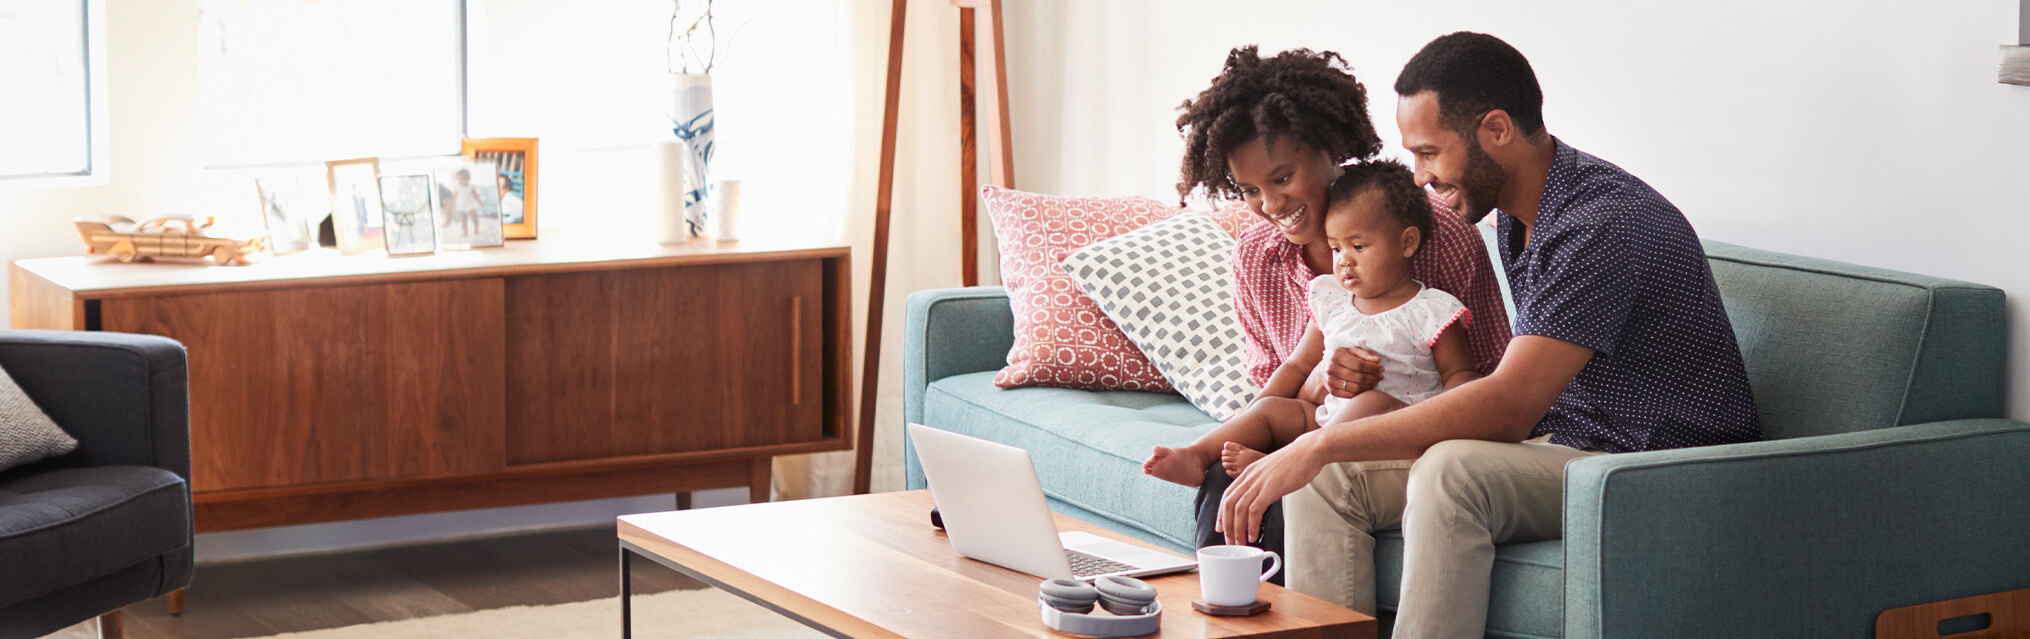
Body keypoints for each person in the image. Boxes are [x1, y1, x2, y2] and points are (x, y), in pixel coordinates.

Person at [1214, 33, 1761, 637]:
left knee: (1449, 471)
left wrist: (1315, 442)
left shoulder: (1598, 225)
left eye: (1428, 152)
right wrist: (1317, 447)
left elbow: (1505, 407)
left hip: (1656, 464)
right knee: (1328, 478)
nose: (1418, 176)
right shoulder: (1523, 213)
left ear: (1496, 130)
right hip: (1572, 442)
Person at [1171, 45, 1513, 580]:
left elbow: (1485, 380)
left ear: (1332, 149)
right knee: (1224, 479)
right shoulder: (1256, 257)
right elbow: (1276, 387)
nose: (1271, 205)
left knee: (1293, 487)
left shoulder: (1436, 234)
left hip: (1406, 438)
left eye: (1282, 178)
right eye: (1250, 190)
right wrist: (1313, 388)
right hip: (1310, 427)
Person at [1144, 160, 1478, 487]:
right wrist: (1257, 413)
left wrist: (1448, 424)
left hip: (1394, 431)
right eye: (1336, 248)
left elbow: (1460, 375)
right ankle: (1196, 454)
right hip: (1326, 420)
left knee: (1371, 402)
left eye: (1358, 246)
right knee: (1274, 408)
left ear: (1407, 243)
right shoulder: (1332, 299)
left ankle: (1283, 462)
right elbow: (1297, 365)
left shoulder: (1432, 310)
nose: (1344, 260)